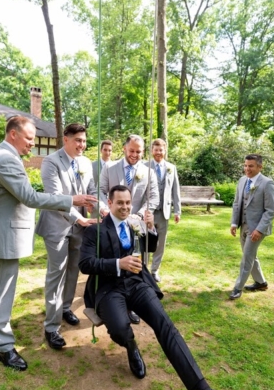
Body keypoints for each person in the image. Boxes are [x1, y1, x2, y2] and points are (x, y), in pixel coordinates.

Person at [79, 185, 242, 390]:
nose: (125, 207)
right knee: (119, 329)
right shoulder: (95, 231)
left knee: (165, 325)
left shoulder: (134, 223)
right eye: (120, 203)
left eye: (128, 203)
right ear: (110, 202)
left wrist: (150, 227)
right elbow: (85, 264)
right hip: (109, 288)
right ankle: (130, 345)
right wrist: (118, 264)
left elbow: (150, 247)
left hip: (136, 283)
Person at [0, 116, 96, 371]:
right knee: (3, 289)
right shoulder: (6, 158)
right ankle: (4, 346)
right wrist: (70, 200)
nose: (33, 143)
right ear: (13, 134)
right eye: (29, 138)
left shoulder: (2, 154)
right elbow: (29, 197)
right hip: (2, 235)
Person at [36, 123, 99, 350]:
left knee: (74, 270)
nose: (82, 145)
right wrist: (78, 218)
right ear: (66, 139)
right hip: (56, 227)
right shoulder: (51, 162)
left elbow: (92, 189)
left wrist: (99, 206)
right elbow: (54, 197)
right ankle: (51, 327)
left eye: (84, 141)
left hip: (80, 228)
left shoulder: (85, 163)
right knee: (57, 273)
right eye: (78, 140)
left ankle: (65, 308)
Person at [99, 134, 159, 324]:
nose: (134, 155)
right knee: (114, 263)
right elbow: (100, 190)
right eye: (131, 150)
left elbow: (154, 197)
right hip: (111, 224)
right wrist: (105, 207)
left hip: (135, 226)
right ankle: (111, 301)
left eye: (139, 152)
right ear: (124, 149)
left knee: (134, 266)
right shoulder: (109, 168)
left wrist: (140, 215)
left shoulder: (148, 172)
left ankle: (131, 306)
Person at [229, 154, 274, 300]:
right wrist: (233, 223)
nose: (247, 169)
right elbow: (237, 203)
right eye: (245, 165)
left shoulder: (267, 183)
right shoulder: (242, 180)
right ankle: (261, 282)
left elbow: (270, 210)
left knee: (247, 258)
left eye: (250, 166)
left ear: (259, 167)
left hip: (257, 228)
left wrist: (259, 230)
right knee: (250, 256)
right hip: (243, 225)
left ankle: (238, 288)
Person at [149, 138, 181, 282]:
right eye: (156, 150)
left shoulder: (171, 167)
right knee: (145, 242)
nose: (158, 153)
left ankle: (154, 270)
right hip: (148, 212)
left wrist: (177, 210)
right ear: (152, 151)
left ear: (165, 151)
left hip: (164, 212)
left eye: (161, 150)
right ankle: (142, 269)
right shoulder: (144, 166)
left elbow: (176, 190)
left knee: (160, 243)